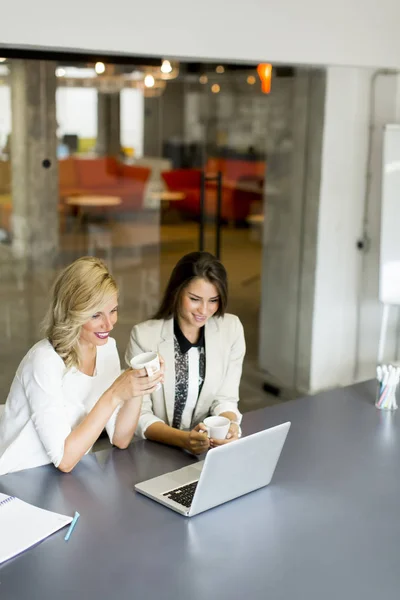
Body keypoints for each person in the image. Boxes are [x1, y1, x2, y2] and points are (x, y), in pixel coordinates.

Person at [0, 257, 163, 475]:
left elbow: (121, 438)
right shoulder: (44, 361)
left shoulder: (105, 349)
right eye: (96, 315)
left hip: (70, 476)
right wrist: (115, 393)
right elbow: (64, 459)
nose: (109, 324)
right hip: (19, 479)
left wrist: (137, 388)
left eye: (113, 310)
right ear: (72, 313)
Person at [125, 251, 245, 455]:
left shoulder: (231, 329)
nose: (204, 310)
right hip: (155, 450)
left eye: (214, 300)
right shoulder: (144, 336)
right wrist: (184, 440)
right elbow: (139, 414)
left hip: (208, 451)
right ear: (177, 292)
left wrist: (230, 425)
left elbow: (225, 399)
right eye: (195, 299)